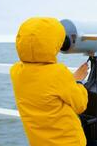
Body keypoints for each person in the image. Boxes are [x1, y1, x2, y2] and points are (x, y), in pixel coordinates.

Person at [10, 17, 88, 146]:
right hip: (68, 142)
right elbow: (80, 105)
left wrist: (68, 81)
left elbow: (44, 87)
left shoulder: (16, 71)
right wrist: (77, 82)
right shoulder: (58, 73)